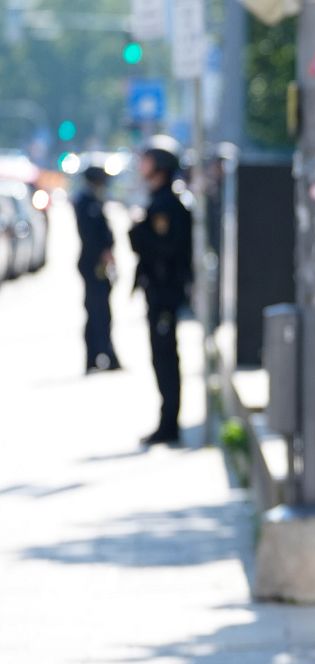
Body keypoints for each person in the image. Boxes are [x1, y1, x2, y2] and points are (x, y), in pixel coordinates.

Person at [129, 147, 192, 446]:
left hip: (165, 292)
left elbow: (162, 247)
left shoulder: (167, 204)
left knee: (165, 357)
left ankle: (169, 425)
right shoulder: (158, 200)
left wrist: (138, 229)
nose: (143, 165)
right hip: (158, 290)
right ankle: (167, 422)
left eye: (148, 161)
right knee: (160, 356)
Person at [73, 166, 121, 374]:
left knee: (101, 310)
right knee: (97, 310)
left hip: (97, 263)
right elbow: (93, 236)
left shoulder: (93, 200)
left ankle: (101, 355)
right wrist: (104, 254)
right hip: (93, 264)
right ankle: (100, 355)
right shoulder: (86, 202)